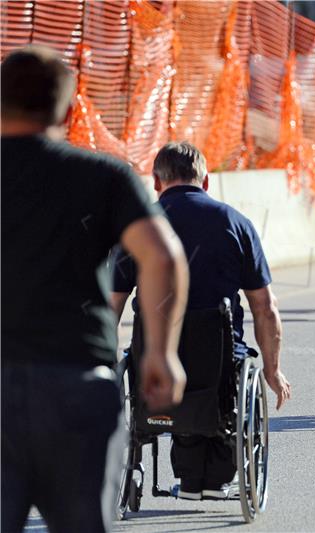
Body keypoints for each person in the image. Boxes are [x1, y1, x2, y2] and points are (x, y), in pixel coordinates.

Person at [1, 46, 189, 533]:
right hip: (78, 385)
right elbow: (163, 257)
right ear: (66, 110)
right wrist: (162, 354)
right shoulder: (103, 175)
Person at [110, 142, 291, 501]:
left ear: (156, 182)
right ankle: (212, 479)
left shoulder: (136, 226)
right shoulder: (235, 223)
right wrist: (272, 369)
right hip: (220, 356)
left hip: (155, 359)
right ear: (206, 181)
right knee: (226, 377)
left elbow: (111, 305)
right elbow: (264, 307)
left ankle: (191, 479)